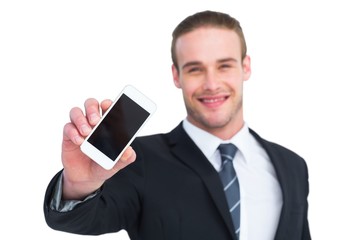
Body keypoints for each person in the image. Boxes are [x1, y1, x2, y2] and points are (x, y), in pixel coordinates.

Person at [43, 10, 311, 240]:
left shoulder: (292, 166)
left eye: (224, 66)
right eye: (195, 68)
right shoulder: (136, 159)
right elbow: (80, 220)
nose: (211, 83)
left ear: (246, 67)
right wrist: (78, 184)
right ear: (176, 75)